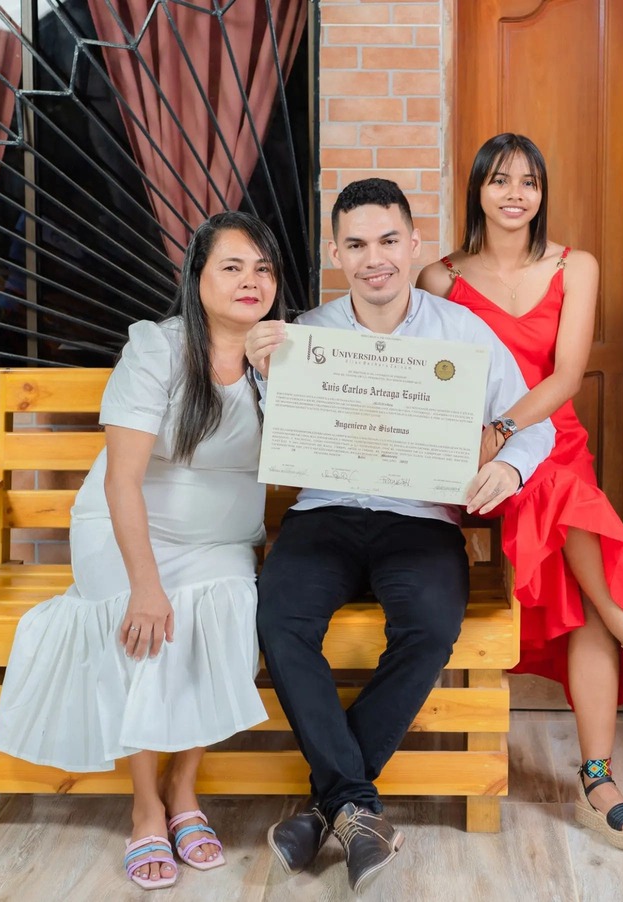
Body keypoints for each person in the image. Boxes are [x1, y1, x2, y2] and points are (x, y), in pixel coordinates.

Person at [244, 178, 555, 893]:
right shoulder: (307, 335)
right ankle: (354, 805)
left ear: (414, 244)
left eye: (388, 240)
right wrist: (256, 369)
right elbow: (264, 433)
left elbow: (530, 421)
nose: (373, 257)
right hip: (324, 513)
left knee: (430, 623)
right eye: (356, 244)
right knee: (280, 619)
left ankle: (329, 808)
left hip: (420, 520)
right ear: (336, 253)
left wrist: (507, 467)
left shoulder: (461, 332)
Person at [417, 133, 623, 852]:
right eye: (500, 180)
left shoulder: (575, 267)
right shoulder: (442, 278)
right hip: (479, 458)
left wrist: (509, 427)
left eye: (530, 183)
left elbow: (568, 375)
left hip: (551, 441)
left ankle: (598, 775)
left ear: (542, 195)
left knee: (578, 571)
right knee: (574, 517)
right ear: (476, 189)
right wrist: (483, 439)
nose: (516, 194)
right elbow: (433, 382)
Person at [0, 211, 287, 889]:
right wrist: (146, 583)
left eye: (263, 268)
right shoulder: (157, 348)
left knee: (228, 608)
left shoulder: (283, 358)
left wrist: (285, 381)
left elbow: (314, 454)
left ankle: (186, 789)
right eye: (232, 267)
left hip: (218, 539)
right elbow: (123, 479)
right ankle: (146, 804)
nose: (250, 281)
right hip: (126, 527)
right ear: (198, 277)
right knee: (152, 618)